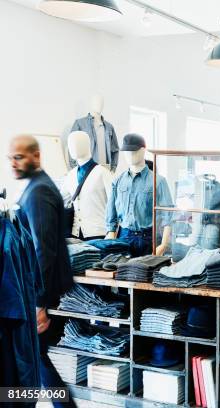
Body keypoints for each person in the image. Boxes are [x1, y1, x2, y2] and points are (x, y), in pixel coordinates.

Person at [8, 135, 75, 407]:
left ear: (36, 156)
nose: (13, 162)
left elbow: (43, 251)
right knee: (37, 360)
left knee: (35, 361)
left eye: (19, 156)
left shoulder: (39, 192)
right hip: (37, 292)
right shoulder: (36, 186)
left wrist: (39, 303)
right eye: (10, 157)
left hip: (40, 294)